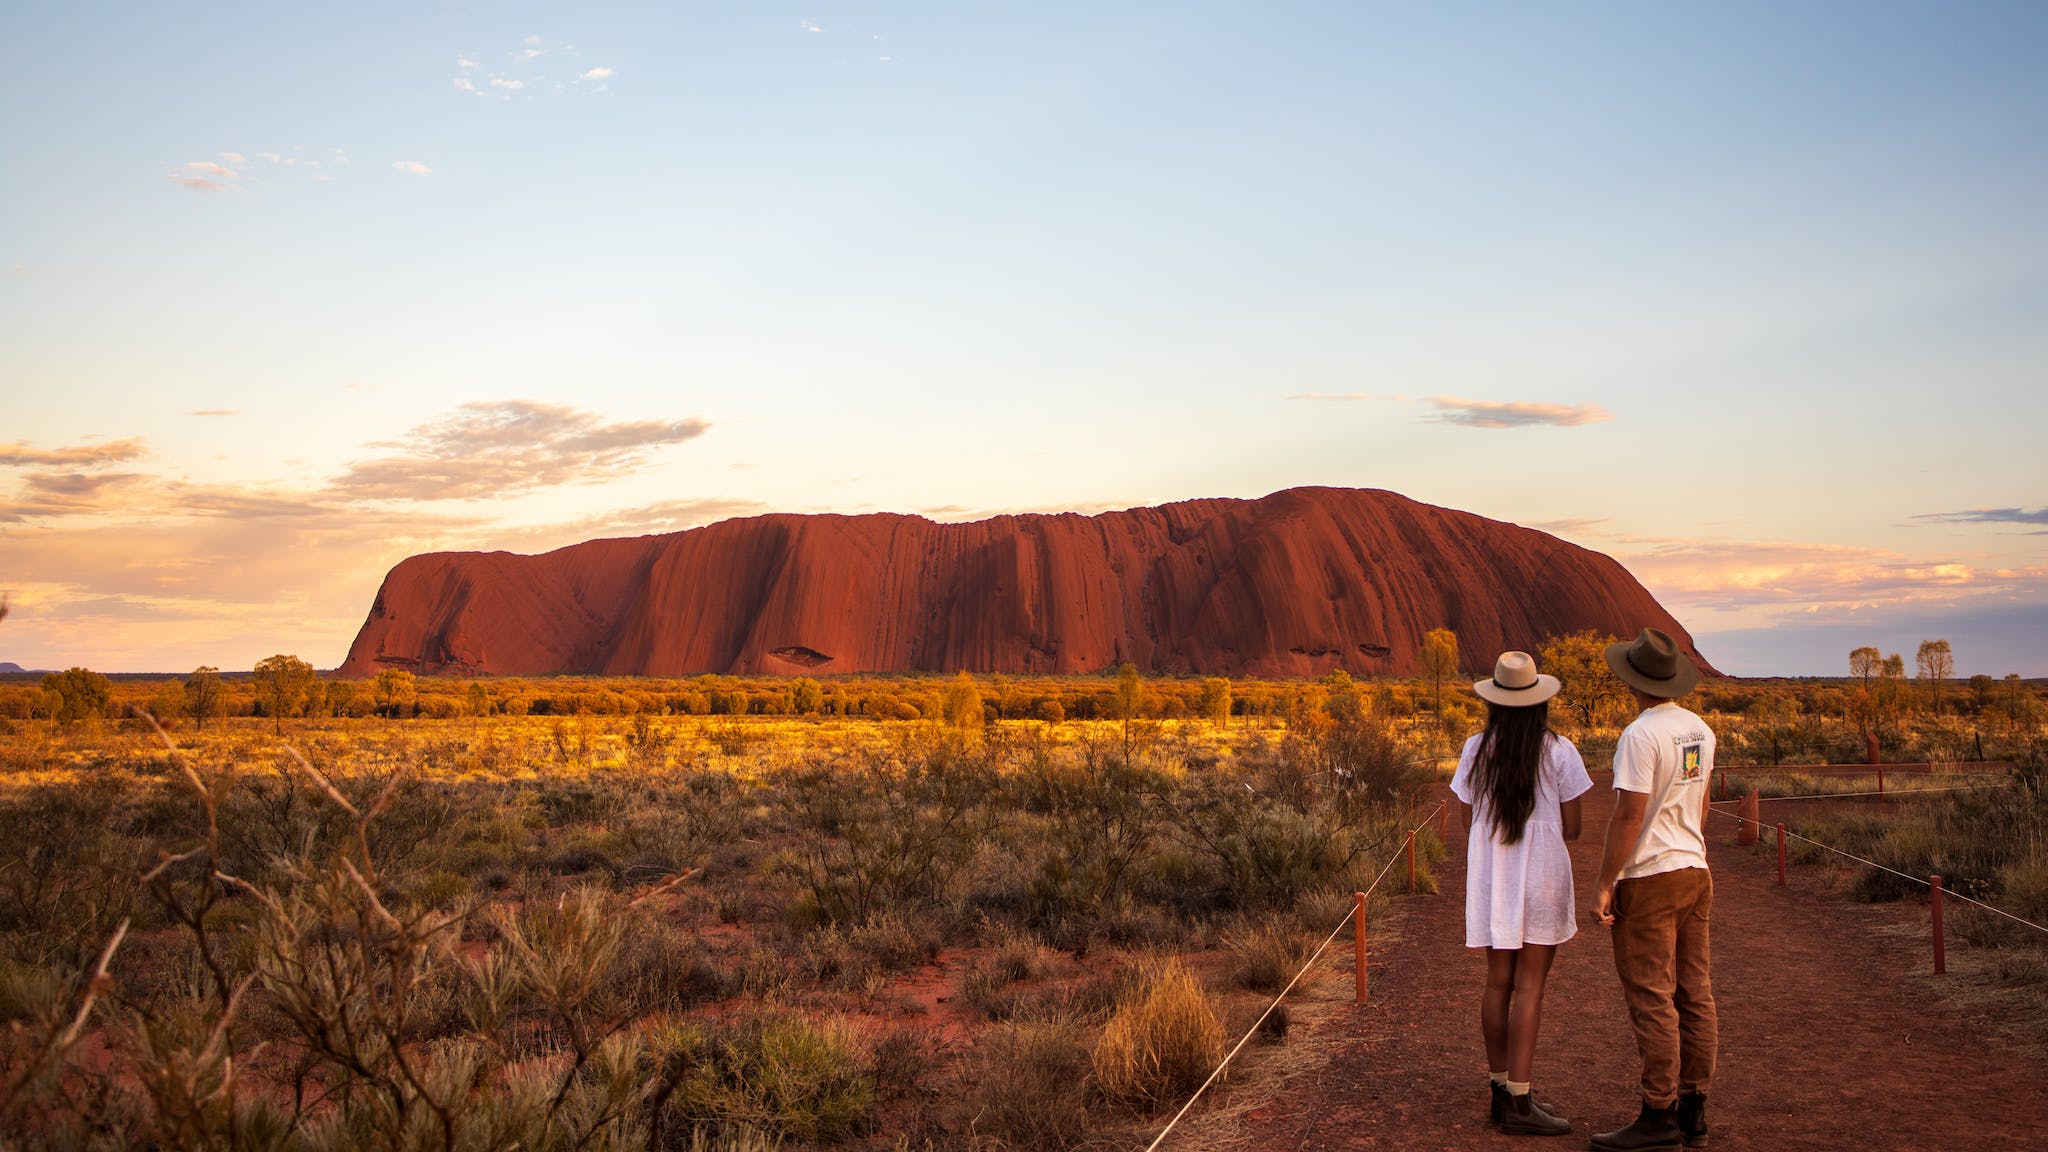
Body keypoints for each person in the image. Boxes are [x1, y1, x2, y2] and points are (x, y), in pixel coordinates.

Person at [1449, 651, 1592, 1137]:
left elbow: (1468, 820)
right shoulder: (1558, 751)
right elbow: (1573, 827)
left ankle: (1498, 1089)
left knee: (1497, 982)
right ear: (1538, 702)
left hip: (1492, 875)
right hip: (1542, 877)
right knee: (1531, 986)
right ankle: (1522, 1101)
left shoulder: (1475, 748)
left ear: (1494, 702)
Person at [1591, 628, 1717, 1151]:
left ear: (1633, 681)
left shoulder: (1639, 736)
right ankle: (1694, 1109)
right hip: (1695, 870)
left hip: (1650, 877)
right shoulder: (1700, 731)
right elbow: (1703, 805)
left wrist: (1605, 882)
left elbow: (1629, 815)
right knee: (1694, 991)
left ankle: (1658, 1115)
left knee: (1651, 995)